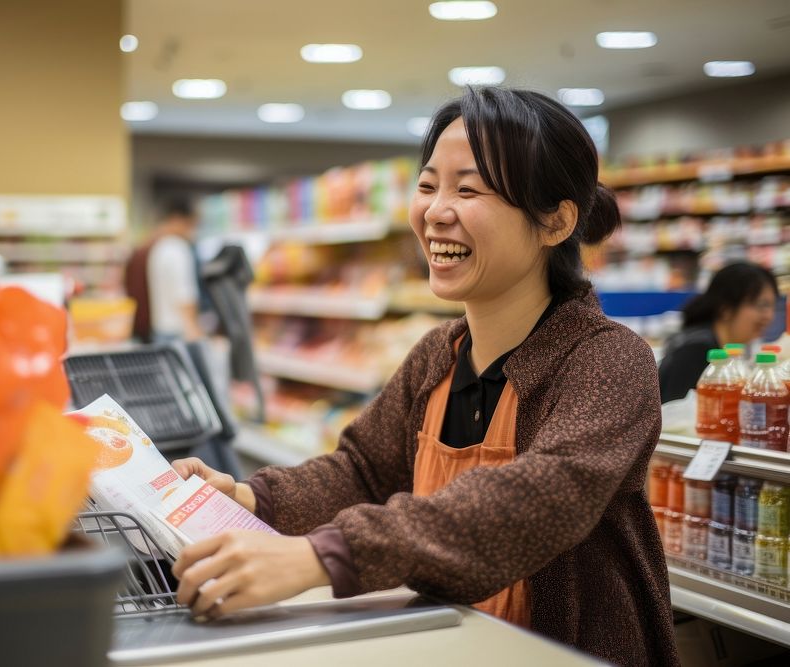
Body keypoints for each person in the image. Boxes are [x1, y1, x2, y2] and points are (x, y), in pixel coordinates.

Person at [171, 87, 679, 666]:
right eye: (428, 184)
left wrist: (320, 557)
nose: (436, 211)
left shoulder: (608, 361)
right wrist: (247, 497)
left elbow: (540, 496)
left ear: (555, 221)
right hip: (453, 643)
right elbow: (364, 471)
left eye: (468, 189)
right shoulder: (438, 354)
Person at [658, 262, 778, 403]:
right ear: (726, 309)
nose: (769, 316)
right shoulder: (696, 351)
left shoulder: (716, 347)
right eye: (761, 306)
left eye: (772, 306)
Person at [124, 199, 204, 342]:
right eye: (192, 224)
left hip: (157, 330)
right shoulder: (176, 248)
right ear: (177, 219)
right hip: (177, 331)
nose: (193, 232)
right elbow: (184, 295)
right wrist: (194, 331)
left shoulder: (152, 246)